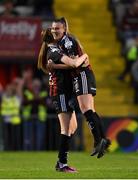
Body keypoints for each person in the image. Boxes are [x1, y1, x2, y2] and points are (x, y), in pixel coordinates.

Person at [49, 17, 111, 158]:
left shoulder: (68, 42)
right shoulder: (59, 44)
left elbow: (75, 64)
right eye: (53, 28)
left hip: (82, 74)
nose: (54, 31)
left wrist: (54, 65)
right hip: (79, 75)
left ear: (64, 29)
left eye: (57, 28)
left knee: (86, 109)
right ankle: (102, 140)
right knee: (90, 110)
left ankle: (99, 140)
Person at [37, 28, 89, 172]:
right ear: (53, 38)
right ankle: (62, 163)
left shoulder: (54, 50)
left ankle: (62, 157)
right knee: (66, 128)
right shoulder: (54, 51)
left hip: (64, 92)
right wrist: (82, 58)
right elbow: (72, 65)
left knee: (73, 127)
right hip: (59, 92)